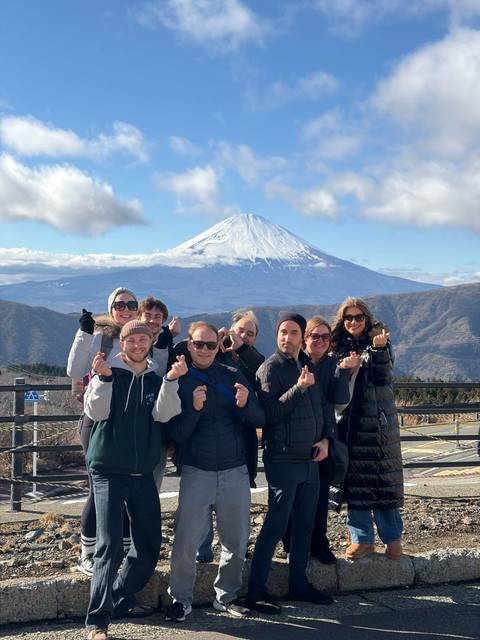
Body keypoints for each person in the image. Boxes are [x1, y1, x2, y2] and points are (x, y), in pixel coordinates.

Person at [83, 320, 187, 640]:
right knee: (110, 545)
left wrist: (171, 380)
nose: (138, 345)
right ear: (123, 343)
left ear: (150, 340)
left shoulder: (157, 377)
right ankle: (97, 623)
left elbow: (165, 414)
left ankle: (116, 594)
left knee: (149, 546)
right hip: (108, 470)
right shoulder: (109, 370)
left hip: (143, 471)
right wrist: (103, 378)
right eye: (132, 340)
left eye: (144, 339)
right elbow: (96, 412)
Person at [163, 321, 265, 623]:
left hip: (234, 470)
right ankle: (180, 599)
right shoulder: (179, 381)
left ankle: (227, 597)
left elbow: (259, 418)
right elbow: (175, 434)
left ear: (219, 346)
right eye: (198, 344)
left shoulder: (234, 376)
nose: (205, 349)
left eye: (211, 344)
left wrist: (245, 404)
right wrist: (194, 409)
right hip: (197, 470)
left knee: (236, 540)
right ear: (189, 346)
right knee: (185, 542)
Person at [246, 312, 334, 615]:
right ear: (277, 335)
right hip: (283, 459)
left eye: (294, 332)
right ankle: (255, 591)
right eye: (283, 332)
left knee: (305, 526)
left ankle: (299, 584)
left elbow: (323, 407)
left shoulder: (305, 365)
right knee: (276, 524)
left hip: (310, 459)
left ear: (301, 337)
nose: (288, 338)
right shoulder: (270, 369)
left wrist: (326, 440)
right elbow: (269, 414)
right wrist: (299, 388)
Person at [67, 287, 139, 576]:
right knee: (99, 488)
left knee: (122, 488)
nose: (125, 309)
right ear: (110, 309)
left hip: (127, 423)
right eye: (119, 304)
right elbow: (75, 369)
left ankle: (118, 550)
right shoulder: (100, 335)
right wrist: (83, 334)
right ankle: (87, 552)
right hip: (95, 421)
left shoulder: (140, 335)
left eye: (131, 304)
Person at [330, 297, 404, 561]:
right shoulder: (336, 346)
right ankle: (362, 540)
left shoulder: (380, 342)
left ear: (367, 319)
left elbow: (383, 376)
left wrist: (379, 350)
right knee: (356, 484)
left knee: (383, 482)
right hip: (350, 425)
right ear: (342, 320)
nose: (353, 322)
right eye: (348, 318)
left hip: (378, 424)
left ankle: (393, 539)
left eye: (359, 317)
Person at [282, 315, 357, 564]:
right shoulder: (293, 362)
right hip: (293, 440)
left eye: (326, 337)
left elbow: (336, 400)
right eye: (315, 336)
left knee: (320, 495)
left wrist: (345, 373)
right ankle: (290, 542)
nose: (321, 341)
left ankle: (318, 542)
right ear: (305, 338)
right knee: (292, 496)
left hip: (321, 440)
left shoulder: (332, 365)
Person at [196, 309, 265, 563]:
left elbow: (263, 368)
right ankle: (202, 553)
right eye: (240, 331)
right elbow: (190, 354)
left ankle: (235, 551)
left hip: (241, 438)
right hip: (209, 435)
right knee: (203, 502)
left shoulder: (252, 360)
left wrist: (242, 350)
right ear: (229, 329)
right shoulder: (213, 350)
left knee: (238, 502)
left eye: (250, 334)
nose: (244, 336)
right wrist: (218, 342)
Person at [138, 296, 181, 491]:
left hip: (159, 427)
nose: (153, 320)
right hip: (134, 424)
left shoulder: (166, 343)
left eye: (158, 316)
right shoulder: (132, 343)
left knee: (153, 485)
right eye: (148, 315)